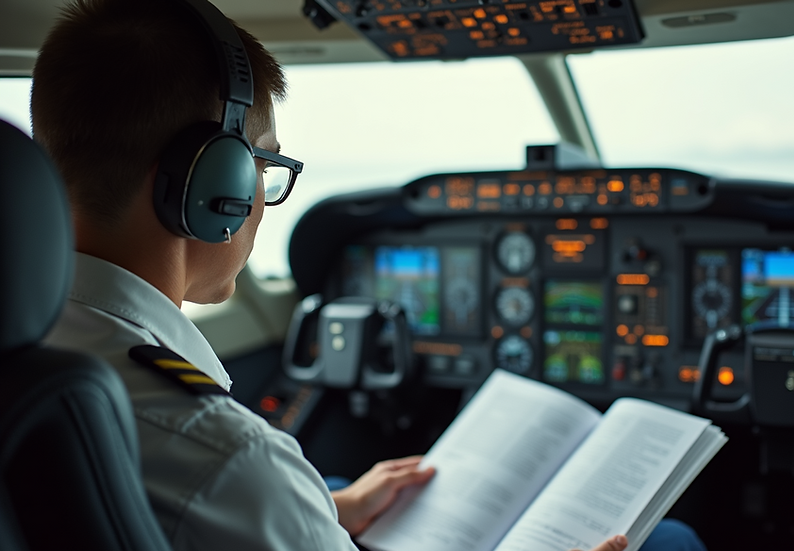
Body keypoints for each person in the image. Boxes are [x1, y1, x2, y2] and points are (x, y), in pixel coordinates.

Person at [34, 1, 704, 550]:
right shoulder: (232, 462)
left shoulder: (31, 350)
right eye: (264, 168)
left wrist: (326, 508)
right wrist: (290, 501)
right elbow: (227, 486)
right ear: (216, 188)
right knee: (671, 539)